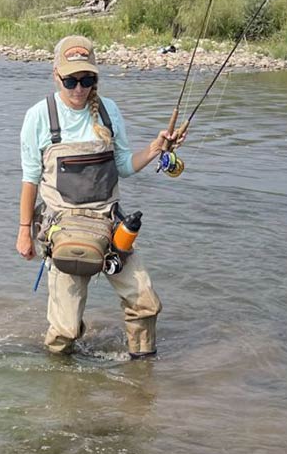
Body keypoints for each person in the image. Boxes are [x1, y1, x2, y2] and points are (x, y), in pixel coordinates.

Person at [16, 35, 183, 357]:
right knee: (65, 331)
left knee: (145, 303)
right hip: (64, 231)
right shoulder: (39, 116)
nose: (79, 89)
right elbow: (30, 179)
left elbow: (123, 166)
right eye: (71, 81)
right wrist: (24, 232)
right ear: (56, 75)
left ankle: (141, 379)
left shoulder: (109, 111)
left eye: (88, 80)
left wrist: (155, 147)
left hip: (111, 229)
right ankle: (61, 387)